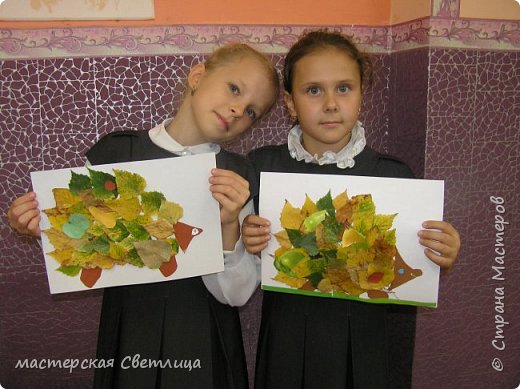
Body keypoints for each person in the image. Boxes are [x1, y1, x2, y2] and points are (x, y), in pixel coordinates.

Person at [7, 43, 280, 389]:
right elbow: (86, 243)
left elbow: (236, 295)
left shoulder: (237, 177)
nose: (238, 109)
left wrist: (227, 226)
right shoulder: (116, 153)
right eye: (234, 88)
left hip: (205, 337)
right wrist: (40, 225)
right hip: (131, 331)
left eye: (252, 111)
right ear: (198, 76)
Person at [241, 30, 461, 389]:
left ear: (360, 95)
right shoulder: (261, 167)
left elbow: (405, 277)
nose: (330, 103)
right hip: (287, 343)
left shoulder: (393, 175)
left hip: (365, 347)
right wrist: (244, 237)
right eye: (313, 90)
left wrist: (438, 255)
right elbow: (237, 264)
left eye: (344, 88)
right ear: (290, 102)